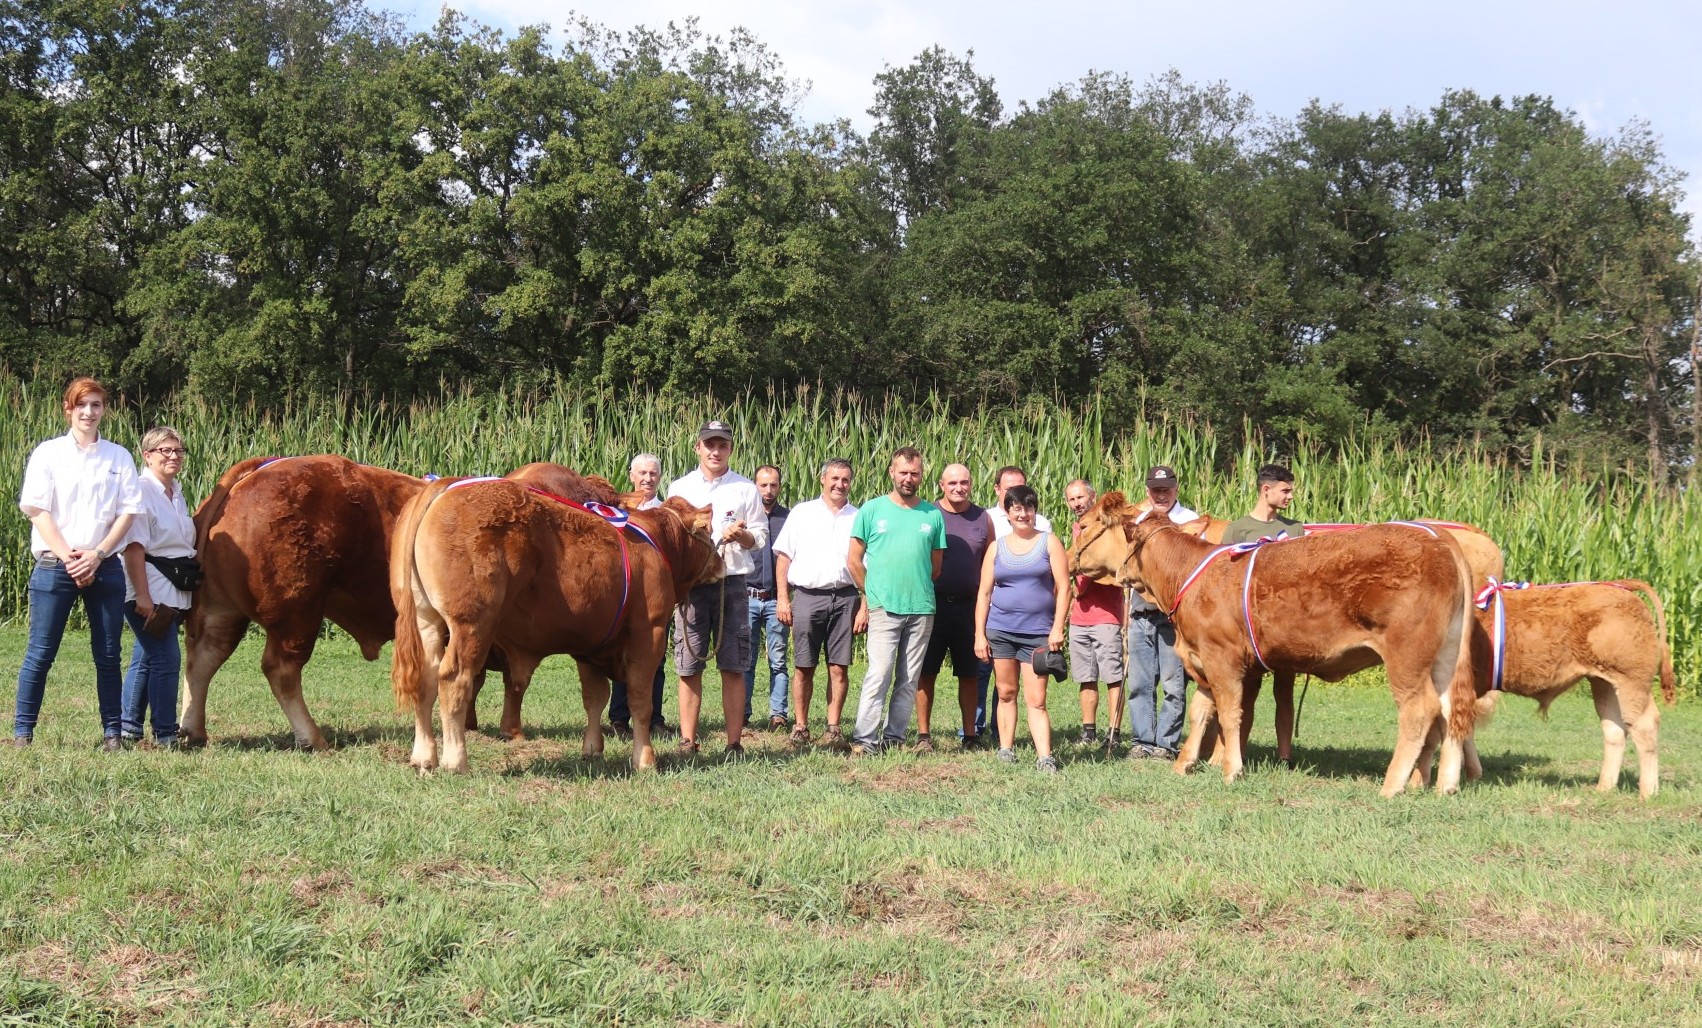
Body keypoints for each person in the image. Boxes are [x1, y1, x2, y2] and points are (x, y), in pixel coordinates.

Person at [14, 377, 144, 749]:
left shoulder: (118, 457)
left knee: (107, 654)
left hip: (104, 566)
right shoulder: (48, 453)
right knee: (41, 652)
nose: (89, 412)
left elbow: (128, 512)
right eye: (82, 405)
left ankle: (112, 734)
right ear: (68, 409)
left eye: (97, 405)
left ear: (104, 410)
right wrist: (70, 557)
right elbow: (37, 508)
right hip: (56, 566)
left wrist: (98, 554)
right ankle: (23, 733)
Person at [665, 421, 767, 755]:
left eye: (722, 445)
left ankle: (734, 743)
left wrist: (743, 536)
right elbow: (670, 539)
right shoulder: (680, 489)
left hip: (732, 583)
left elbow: (760, 538)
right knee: (688, 664)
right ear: (698, 448)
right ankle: (687, 740)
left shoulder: (745, 489)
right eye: (709, 444)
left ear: (730, 449)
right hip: (692, 586)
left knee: (733, 665)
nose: (715, 451)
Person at [847, 447, 946, 756]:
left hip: (921, 609)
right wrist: (872, 594)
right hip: (883, 609)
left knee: (908, 678)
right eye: (903, 472)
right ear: (891, 472)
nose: (908, 478)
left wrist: (914, 588)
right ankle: (865, 740)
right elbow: (853, 561)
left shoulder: (932, 514)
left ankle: (894, 738)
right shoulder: (872, 510)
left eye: (914, 473)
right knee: (879, 674)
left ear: (921, 475)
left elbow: (936, 566)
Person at [974, 484, 1070, 772]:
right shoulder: (996, 547)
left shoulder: (1050, 542)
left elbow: (1064, 588)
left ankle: (1045, 757)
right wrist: (980, 633)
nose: (1023, 514)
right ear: (1007, 512)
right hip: (1001, 630)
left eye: (1028, 508)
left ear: (1035, 511)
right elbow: (984, 593)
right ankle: (1006, 748)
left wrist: (1057, 628)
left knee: (1037, 699)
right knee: (1005, 692)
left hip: (1038, 633)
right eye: (1017, 508)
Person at [1218, 463, 1306, 766]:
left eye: (1291, 490)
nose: (1290, 496)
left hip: (1284, 624)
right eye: (1286, 490)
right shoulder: (1238, 529)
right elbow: (1222, 577)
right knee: (1248, 691)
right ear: (1265, 489)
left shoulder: (1294, 529)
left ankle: (1284, 756)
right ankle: (1237, 751)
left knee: (1285, 690)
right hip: (1248, 627)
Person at [773, 458, 864, 747]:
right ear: (821, 479)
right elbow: (784, 558)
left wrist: (865, 605)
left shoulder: (859, 516)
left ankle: (833, 726)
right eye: (834, 478)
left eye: (845, 479)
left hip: (846, 597)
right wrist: (783, 598)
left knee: (839, 667)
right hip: (808, 597)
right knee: (804, 665)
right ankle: (800, 726)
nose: (840, 484)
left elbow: (866, 565)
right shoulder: (802, 513)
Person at [117, 426, 196, 748]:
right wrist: (143, 597)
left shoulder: (175, 491)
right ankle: (164, 733)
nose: (174, 456)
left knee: (146, 657)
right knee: (165, 659)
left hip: (173, 585)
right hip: (147, 584)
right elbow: (133, 548)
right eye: (165, 450)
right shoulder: (140, 490)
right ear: (147, 455)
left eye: (178, 451)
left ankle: (128, 729)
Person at [970, 465, 1051, 738]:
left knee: (1019, 691)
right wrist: (980, 631)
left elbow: (1058, 583)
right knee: (986, 678)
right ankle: (975, 729)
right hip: (998, 621)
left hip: (1034, 626)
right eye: (1009, 490)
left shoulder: (1044, 529)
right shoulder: (986, 519)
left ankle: (999, 732)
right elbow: (985, 584)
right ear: (998, 492)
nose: (1021, 511)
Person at [916, 462, 993, 750]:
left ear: (971, 483)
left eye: (964, 482)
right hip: (931, 606)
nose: (958, 488)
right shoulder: (926, 514)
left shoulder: (983, 518)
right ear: (941, 485)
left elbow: (990, 561)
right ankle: (924, 736)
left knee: (969, 674)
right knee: (926, 672)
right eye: (952, 483)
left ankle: (970, 736)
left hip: (969, 609)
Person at [1126, 464, 1198, 760]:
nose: (1161, 495)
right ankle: (1142, 741)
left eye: (1166, 489)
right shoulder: (1136, 521)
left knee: (1173, 683)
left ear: (1176, 489)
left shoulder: (1190, 522)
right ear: (1147, 491)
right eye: (1156, 490)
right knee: (1140, 683)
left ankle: (1165, 744)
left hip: (1173, 617)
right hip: (1140, 612)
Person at [608, 453, 674, 740]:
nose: (647, 479)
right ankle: (619, 719)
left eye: (653, 473)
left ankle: (654, 718)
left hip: (657, 600)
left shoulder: (667, 514)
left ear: (660, 477)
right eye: (642, 473)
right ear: (631, 476)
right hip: (623, 600)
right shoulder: (615, 511)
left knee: (655, 659)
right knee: (623, 658)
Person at [1065, 479, 1125, 748]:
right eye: (1072, 499)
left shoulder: (1109, 526)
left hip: (1107, 615)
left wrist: (1079, 581)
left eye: (1081, 497)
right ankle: (1088, 731)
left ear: (1093, 497)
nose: (1077, 503)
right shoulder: (1078, 529)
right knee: (1085, 677)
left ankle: (1114, 732)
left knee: (1112, 675)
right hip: (1080, 617)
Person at [745, 465, 790, 730]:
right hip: (747, 597)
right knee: (746, 660)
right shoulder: (746, 518)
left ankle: (778, 714)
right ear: (755, 486)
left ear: (779, 487)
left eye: (773, 485)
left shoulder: (788, 518)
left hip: (776, 599)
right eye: (763, 485)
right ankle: (743, 713)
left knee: (779, 659)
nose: (768, 490)